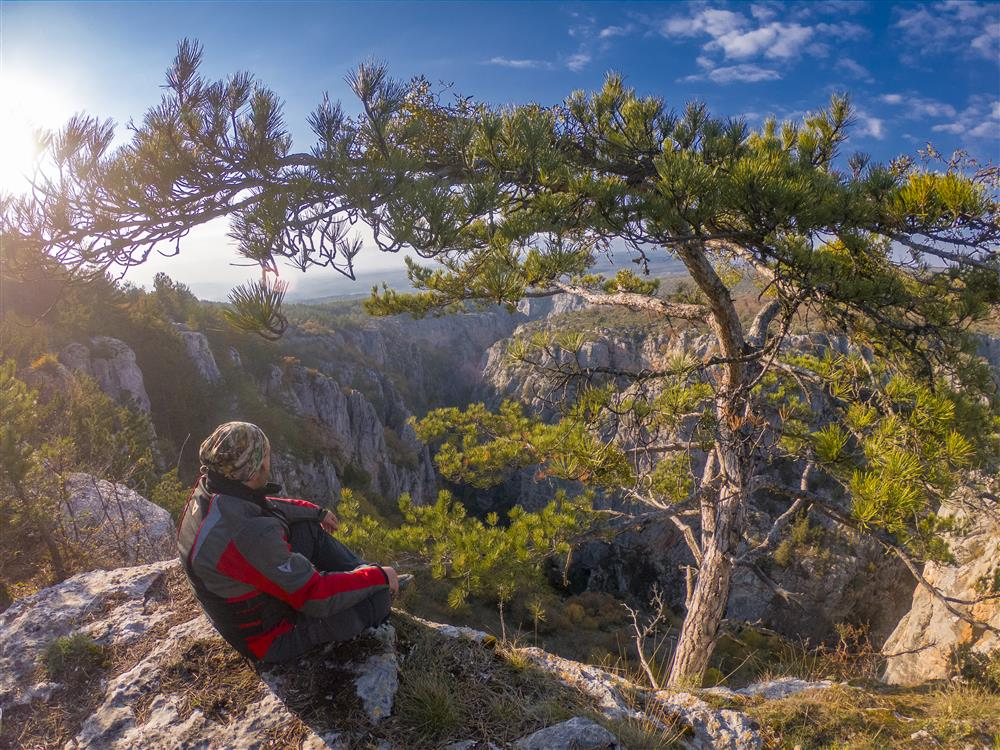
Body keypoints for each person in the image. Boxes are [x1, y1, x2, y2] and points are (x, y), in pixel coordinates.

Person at [177, 421, 401, 663]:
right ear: (255, 470)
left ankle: (360, 579)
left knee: (306, 528)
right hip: (269, 638)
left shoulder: (211, 487)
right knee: (378, 598)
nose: (270, 462)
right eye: (267, 456)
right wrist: (378, 577)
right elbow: (315, 597)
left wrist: (315, 513)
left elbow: (260, 509)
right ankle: (376, 585)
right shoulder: (250, 534)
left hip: (244, 596)